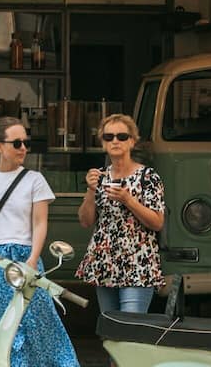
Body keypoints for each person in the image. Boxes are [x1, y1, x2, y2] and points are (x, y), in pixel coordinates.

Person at [0, 117, 77, 365]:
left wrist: (33, 259)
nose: (23, 148)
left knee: (40, 325)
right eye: (16, 143)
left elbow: (39, 223)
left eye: (26, 142)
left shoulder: (34, 179)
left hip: (25, 255)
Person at [77, 114, 167, 313]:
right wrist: (91, 190)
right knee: (110, 329)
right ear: (102, 143)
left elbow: (157, 222)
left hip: (138, 261)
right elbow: (85, 220)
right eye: (109, 137)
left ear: (132, 141)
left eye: (121, 136)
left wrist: (129, 201)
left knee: (130, 328)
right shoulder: (99, 176)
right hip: (104, 261)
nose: (115, 141)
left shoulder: (148, 177)